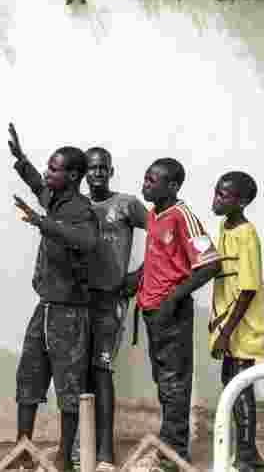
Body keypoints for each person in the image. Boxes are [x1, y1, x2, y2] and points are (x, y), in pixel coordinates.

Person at [6, 123, 101, 472]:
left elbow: (87, 241)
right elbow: (36, 185)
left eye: (53, 169)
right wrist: (21, 160)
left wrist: (41, 222)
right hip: (44, 307)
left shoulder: (82, 210)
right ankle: (23, 449)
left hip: (70, 313)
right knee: (28, 377)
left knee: (69, 386)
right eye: (48, 167)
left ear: (73, 175)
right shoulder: (55, 198)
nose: (47, 174)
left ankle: (63, 456)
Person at [134, 158, 220, 471]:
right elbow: (161, 261)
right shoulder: (155, 215)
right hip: (152, 312)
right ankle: (168, 445)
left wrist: (172, 299)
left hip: (172, 313)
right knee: (164, 382)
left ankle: (175, 453)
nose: (145, 183)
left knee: (175, 383)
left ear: (172, 186)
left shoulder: (183, 216)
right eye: (146, 177)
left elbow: (211, 263)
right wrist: (135, 282)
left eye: (152, 179)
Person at [73, 147, 148, 471]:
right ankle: (81, 448)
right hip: (77, 301)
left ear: (111, 171)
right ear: (84, 173)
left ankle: (104, 452)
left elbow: (161, 236)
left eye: (103, 167)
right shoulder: (76, 205)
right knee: (78, 373)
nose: (98, 173)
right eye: (92, 168)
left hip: (110, 300)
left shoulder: (126, 204)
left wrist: (140, 275)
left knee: (102, 371)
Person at [209, 171, 264, 472]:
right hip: (227, 324)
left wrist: (225, 333)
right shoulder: (224, 226)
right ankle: (250, 452)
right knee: (230, 382)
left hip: (243, 325)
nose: (216, 199)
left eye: (224, 195)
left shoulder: (246, 234)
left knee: (241, 387)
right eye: (217, 192)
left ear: (242, 201)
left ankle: (246, 455)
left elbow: (247, 289)